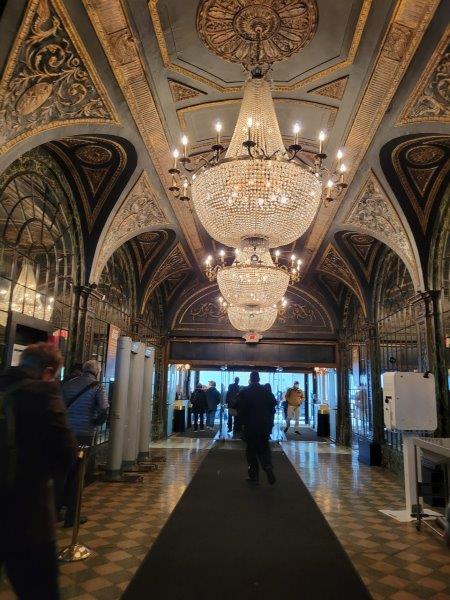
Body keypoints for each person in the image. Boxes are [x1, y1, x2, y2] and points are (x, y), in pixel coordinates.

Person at [0, 342, 77, 600]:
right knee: (39, 589)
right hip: (26, 509)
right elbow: (65, 449)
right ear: (48, 370)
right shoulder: (42, 393)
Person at [61, 359, 108, 527]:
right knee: (78, 474)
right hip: (84, 435)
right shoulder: (97, 386)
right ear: (97, 372)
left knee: (63, 472)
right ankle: (72, 516)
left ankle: (57, 510)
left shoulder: (69, 384)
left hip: (65, 432)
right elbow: (103, 408)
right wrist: (96, 422)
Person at [237, 371, 276, 485]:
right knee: (263, 448)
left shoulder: (245, 391)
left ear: (250, 379)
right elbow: (274, 403)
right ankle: (267, 466)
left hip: (250, 425)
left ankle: (254, 477)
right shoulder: (266, 390)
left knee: (251, 451)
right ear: (259, 379)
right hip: (264, 425)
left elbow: (240, 407)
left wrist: (241, 424)